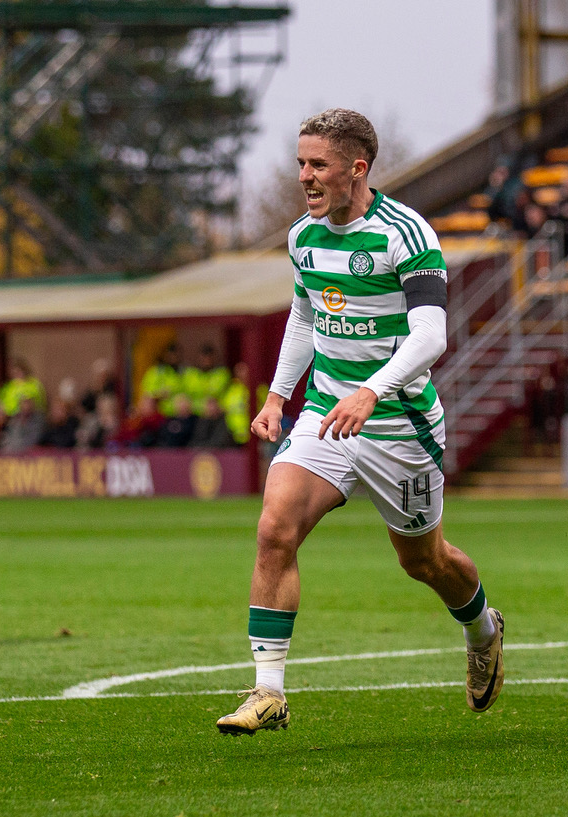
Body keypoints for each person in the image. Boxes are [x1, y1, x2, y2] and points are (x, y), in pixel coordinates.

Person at [216, 109, 504, 736]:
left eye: (317, 165)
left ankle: (483, 628)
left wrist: (372, 392)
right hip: (325, 414)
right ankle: (269, 692)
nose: (305, 177)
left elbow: (431, 337)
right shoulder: (304, 237)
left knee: (425, 563)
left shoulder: (408, 236)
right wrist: (277, 397)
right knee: (275, 527)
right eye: (300, 164)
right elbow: (303, 315)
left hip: (399, 424)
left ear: (357, 168)